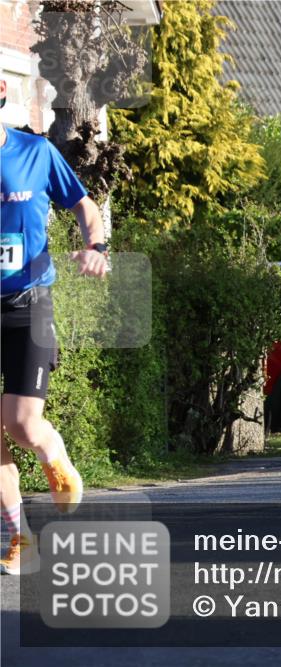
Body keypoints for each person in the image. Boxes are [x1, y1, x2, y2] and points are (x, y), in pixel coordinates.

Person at [1, 78, 109, 574]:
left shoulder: (35, 151)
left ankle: (54, 456)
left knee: (22, 424)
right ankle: (17, 534)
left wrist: (95, 248)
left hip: (29, 301)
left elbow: (85, 207)